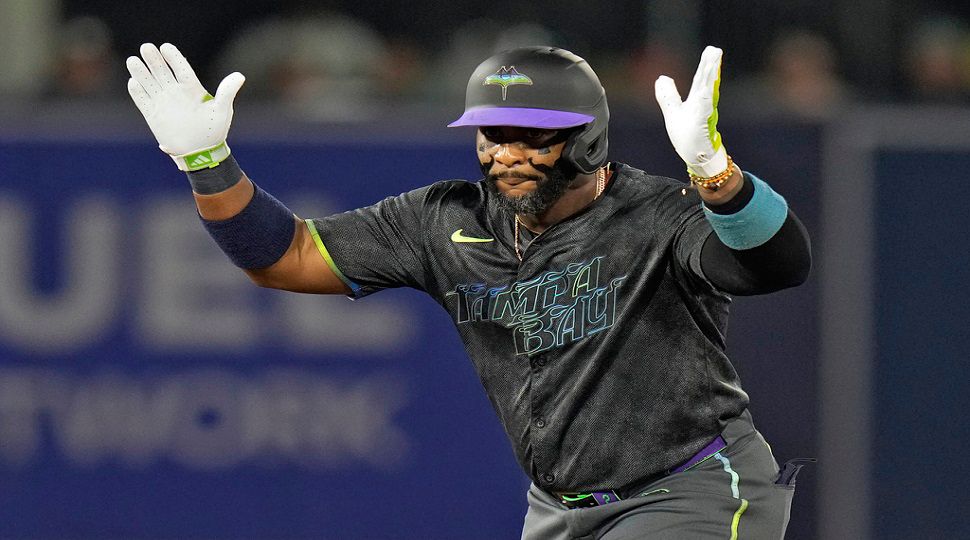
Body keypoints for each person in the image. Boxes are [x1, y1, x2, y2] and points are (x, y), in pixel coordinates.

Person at [126, 42, 811, 539]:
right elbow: (286, 256)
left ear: (590, 140)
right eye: (492, 133)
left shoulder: (655, 214)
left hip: (686, 489)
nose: (505, 153)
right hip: (559, 510)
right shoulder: (444, 220)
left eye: (531, 136)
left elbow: (775, 264)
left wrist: (717, 174)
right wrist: (206, 163)